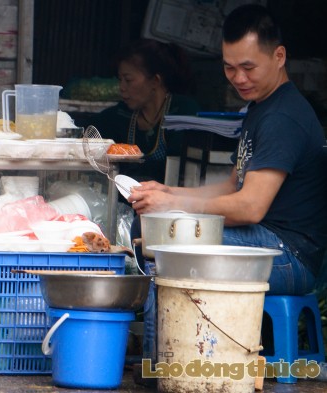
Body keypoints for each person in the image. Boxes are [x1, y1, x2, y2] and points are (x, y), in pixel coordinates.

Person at [128, 4, 327, 296]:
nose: (238, 78)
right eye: (229, 67)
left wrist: (174, 207)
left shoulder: (282, 117)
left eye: (248, 68)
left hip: (287, 255)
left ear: (279, 56)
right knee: (148, 229)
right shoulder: (261, 109)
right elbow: (233, 185)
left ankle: (174, 339)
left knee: (165, 240)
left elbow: (250, 206)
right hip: (265, 243)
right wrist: (170, 193)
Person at [92, 39, 200, 184]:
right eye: (120, 80)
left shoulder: (182, 111)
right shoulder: (120, 114)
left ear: (155, 81)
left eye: (128, 80)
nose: (122, 87)